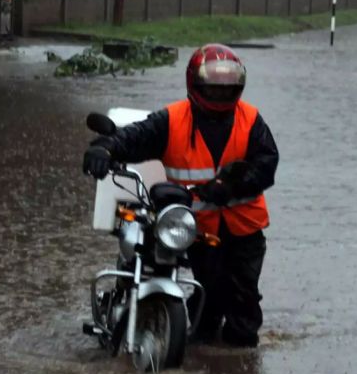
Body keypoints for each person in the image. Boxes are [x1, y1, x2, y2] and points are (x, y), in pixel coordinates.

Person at [82, 44, 279, 348]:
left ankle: (237, 367)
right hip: (195, 229)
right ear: (196, 84)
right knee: (207, 302)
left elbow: (267, 165)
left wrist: (231, 187)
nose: (220, 93)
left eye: (226, 88)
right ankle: (198, 356)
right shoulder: (172, 120)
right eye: (212, 88)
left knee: (244, 309)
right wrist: (106, 148)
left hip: (245, 231)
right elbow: (136, 137)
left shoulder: (251, 120)